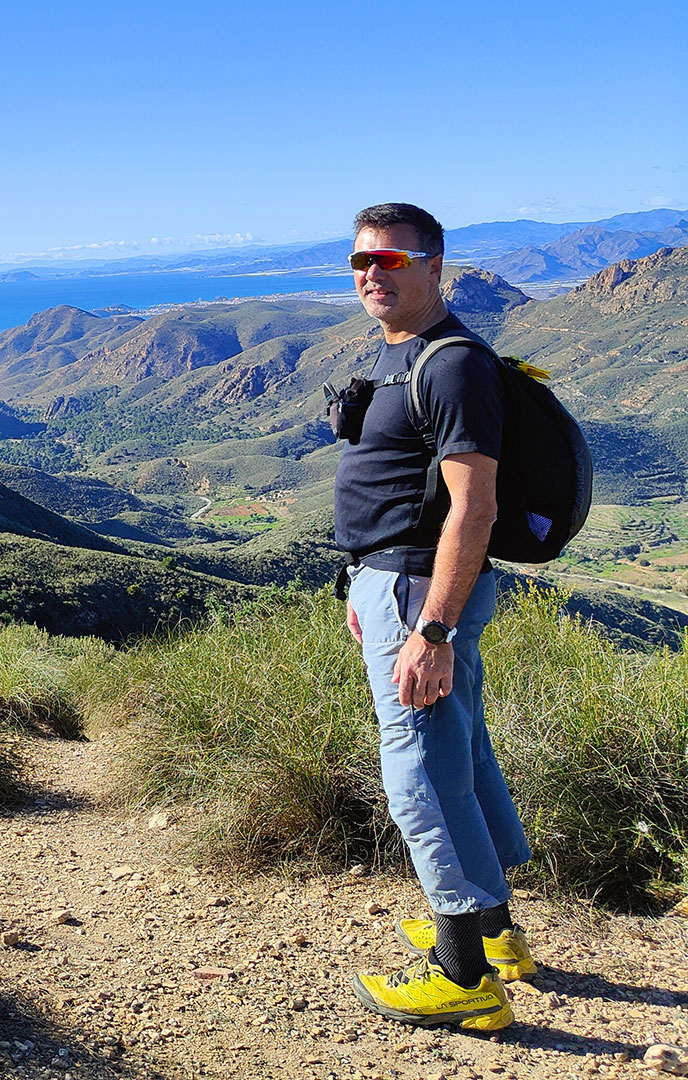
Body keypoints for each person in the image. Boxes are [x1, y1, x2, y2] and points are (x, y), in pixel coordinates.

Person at [332, 202, 534, 1032]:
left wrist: (431, 629)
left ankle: (463, 977)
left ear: (435, 267)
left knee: (418, 774)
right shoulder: (406, 356)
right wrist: (364, 585)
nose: (372, 274)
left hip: (423, 595)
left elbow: (473, 508)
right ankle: (497, 931)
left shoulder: (450, 366)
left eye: (392, 260)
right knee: (461, 756)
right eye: (359, 262)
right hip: (398, 587)